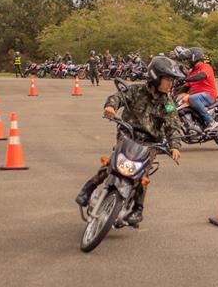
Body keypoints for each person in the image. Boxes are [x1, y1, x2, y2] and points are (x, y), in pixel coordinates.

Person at [74, 56, 184, 225]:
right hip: (128, 135)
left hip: (150, 143)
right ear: (156, 77)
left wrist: (175, 146)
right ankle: (88, 189)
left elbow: (173, 124)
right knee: (112, 164)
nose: (171, 83)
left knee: (143, 175)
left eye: (172, 80)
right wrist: (110, 107)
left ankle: (137, 209)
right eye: (168, 79)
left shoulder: (167, 103)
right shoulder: (136, 91)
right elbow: (118, 97)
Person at [178, 47, 218, 130]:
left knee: (192, 98)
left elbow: (201, 76)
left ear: (194, 57)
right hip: (197, 97)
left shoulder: (206, 66)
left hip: (209, 95)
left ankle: (210, 121)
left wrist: (185, 79)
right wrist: (175, 94)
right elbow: (186, 86)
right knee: (178, 102)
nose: (187, 61)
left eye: (189, 59)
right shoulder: (192, 72)